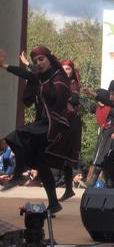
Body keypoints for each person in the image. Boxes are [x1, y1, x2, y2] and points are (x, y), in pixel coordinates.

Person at [0, 46, 77, 214]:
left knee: (18, 135)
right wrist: (6, 66)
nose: (38, 63)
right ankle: (54, 203)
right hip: (44, 122)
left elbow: (59, 100)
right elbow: (28, 75)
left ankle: (18, 174)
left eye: (41, 60)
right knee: (41, 162)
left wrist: (42, 85)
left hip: (55, 124)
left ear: (49, 59)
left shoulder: (60, 78)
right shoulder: (41, 77)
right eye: (35, 61)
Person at [80, 88, 114, 187]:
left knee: (104, 159)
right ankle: (108, 184)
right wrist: (76, 95)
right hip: (103, 135)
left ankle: (94, 182)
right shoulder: (97, 107)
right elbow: (86, 103)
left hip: (111, 136)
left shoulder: (112, 109)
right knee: (102, 160)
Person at [58, 60, 83, 202]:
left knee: (65, 156)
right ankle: (68, 188)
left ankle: (68, 188)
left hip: (70, 122)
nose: (65, 71)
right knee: (62, 157)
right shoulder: (60, 82)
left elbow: (74, 99)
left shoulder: (72, 83)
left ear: (72, 70)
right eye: (63, 68)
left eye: (67, 68)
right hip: (63, 120)